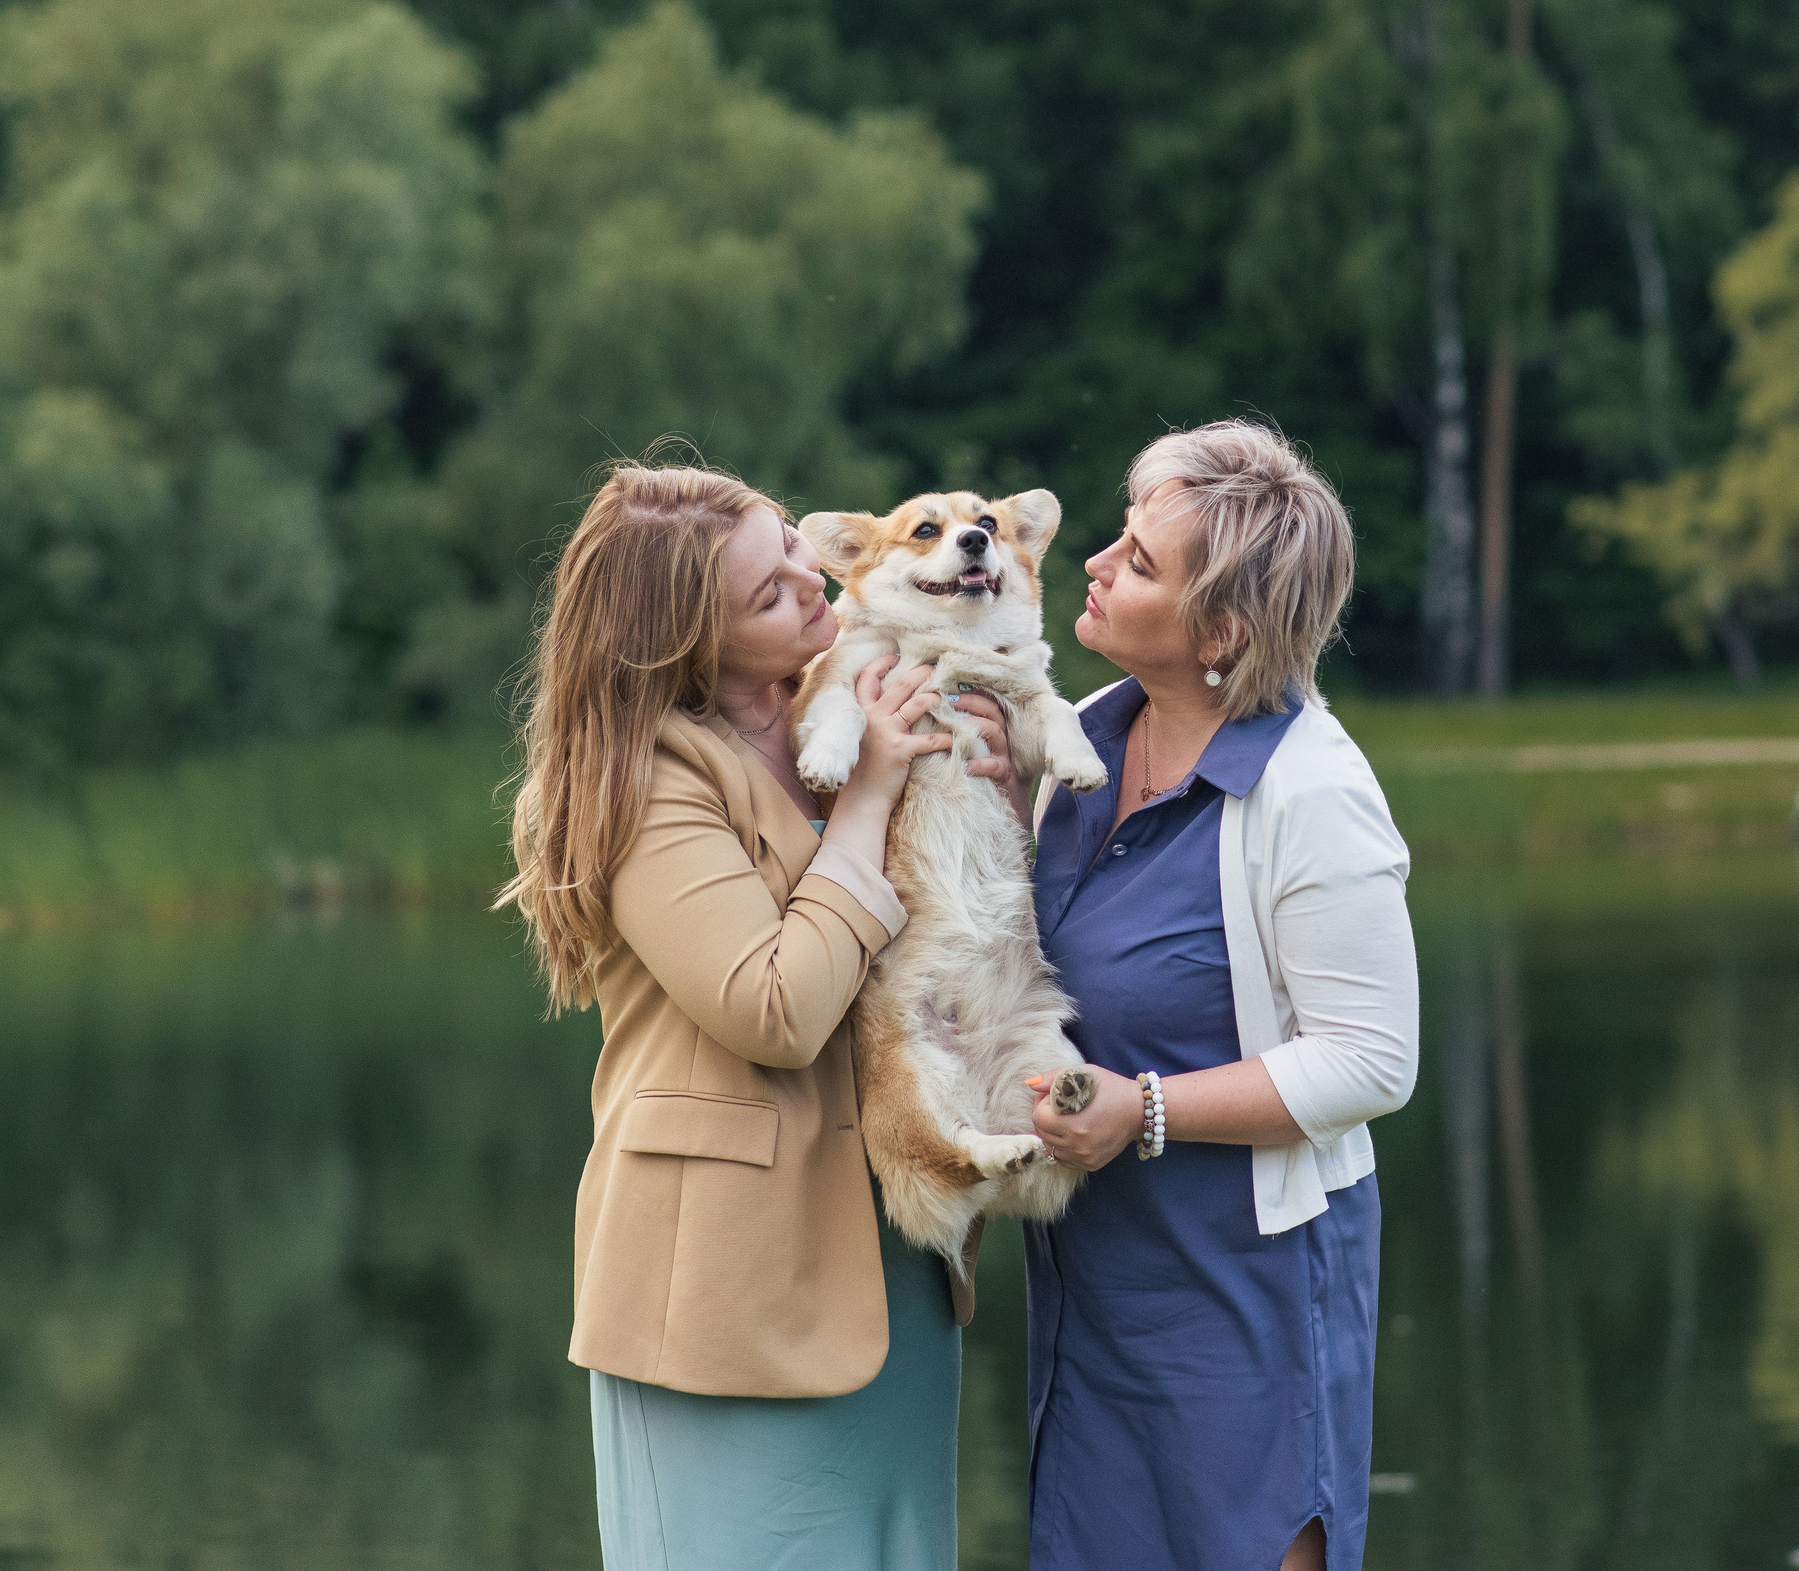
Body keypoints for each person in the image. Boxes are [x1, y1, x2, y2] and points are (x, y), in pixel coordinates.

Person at [494, 462, 1003, 1571]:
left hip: (890, 1260)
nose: (812, 582)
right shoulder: (643, 782)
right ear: (687, 646)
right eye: (770, 594)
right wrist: (866, 799)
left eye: (792, 546)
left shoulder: (853, 697)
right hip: (725, 1300)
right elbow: (773, 1009)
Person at [1018, 421, 1420, 1571]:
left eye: (1139, 562)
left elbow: (1371, 1061)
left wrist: (1140, 1110)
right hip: (1094, 1295)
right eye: (1118, 536)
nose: (1093, 562)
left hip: (1247, 1296)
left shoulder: (1311, 791)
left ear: (1224, 628)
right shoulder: (1079, 744)